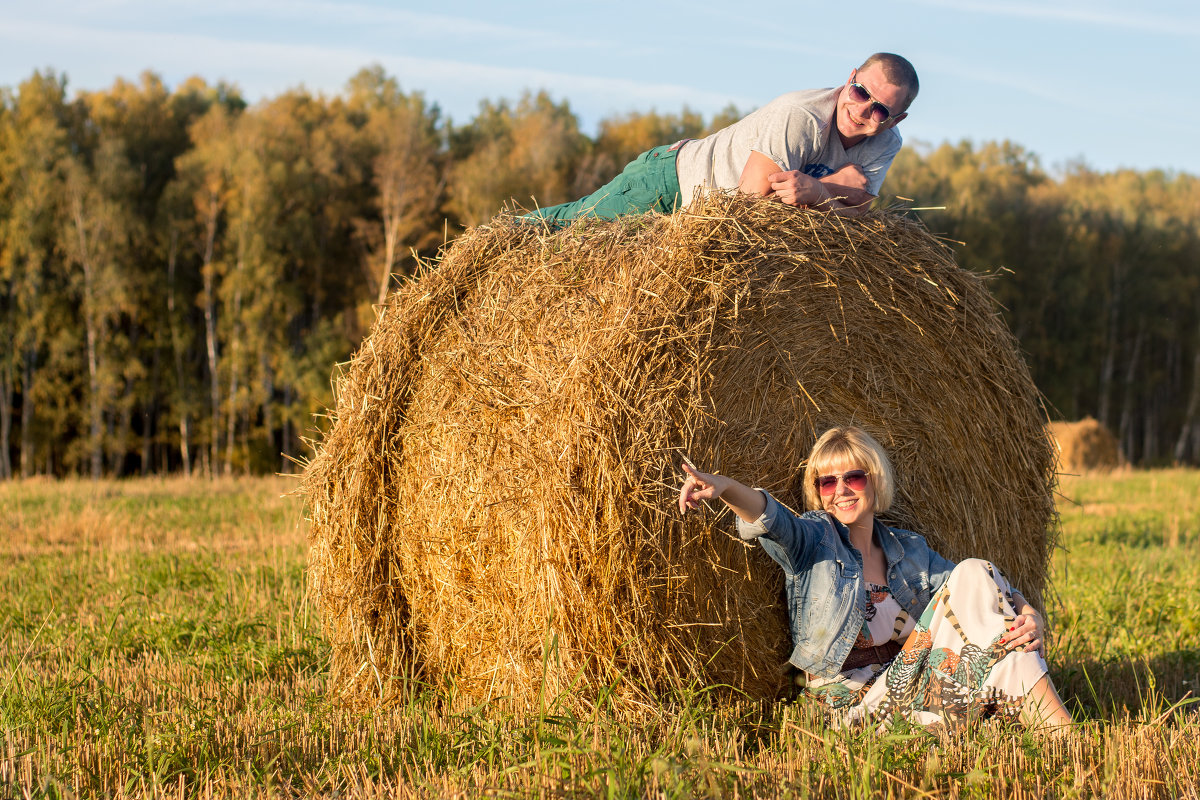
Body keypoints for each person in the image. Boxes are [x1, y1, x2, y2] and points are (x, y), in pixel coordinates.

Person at [677, 426, 1073, 731]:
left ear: (875, 479)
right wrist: (725, 487)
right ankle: (1062, 736)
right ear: (818, 491)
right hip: (852, 708)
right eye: (827, 482)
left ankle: (1053, 734)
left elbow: (979, 591)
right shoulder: (814, 541)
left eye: (854, 477)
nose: (841, 491)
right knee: (994, 664)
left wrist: (1028, 610)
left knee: (973, 570)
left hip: (911, 684)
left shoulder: (908, 549)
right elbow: (770, 517)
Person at [526, 53, 916, 225]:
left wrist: (814, 190)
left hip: (698, 224)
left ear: (897, 118)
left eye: (881, 109)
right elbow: (748, 205)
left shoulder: (886, 143)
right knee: (570, 229)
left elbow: (860, 215)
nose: (863, 110)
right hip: (670, 186)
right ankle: (491, 242)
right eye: (861, 92)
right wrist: (833, 189)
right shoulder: (801, 116)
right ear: (850, 78)